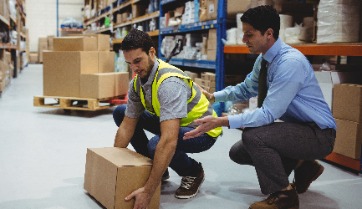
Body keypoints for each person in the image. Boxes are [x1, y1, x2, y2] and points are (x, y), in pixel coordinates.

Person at [184, 5, 336, 209]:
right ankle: (304, 165)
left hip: (319, 134)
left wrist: (222, 121)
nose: (244, 39)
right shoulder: (264, 60)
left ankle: (284, 196)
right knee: (239, 152)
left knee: (253, 136)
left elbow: (268, 114)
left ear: (269, 34)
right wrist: (214, 97)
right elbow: (247, 88)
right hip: (301, 129)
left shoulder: (289, 63)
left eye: (249, 34)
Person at [113, 29, 222, 209]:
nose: (134, 68)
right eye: (129, 63)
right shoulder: (137, 83)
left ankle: (193, 172)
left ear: (152, 52)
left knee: (157, 145)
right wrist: (113, 164)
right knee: (120, 111)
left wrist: (148, 191)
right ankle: (156, 169)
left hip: (202, 130)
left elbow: (169, 141)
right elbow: (127, 126)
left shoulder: (168, 83)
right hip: (176, 123)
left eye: (138, 61)